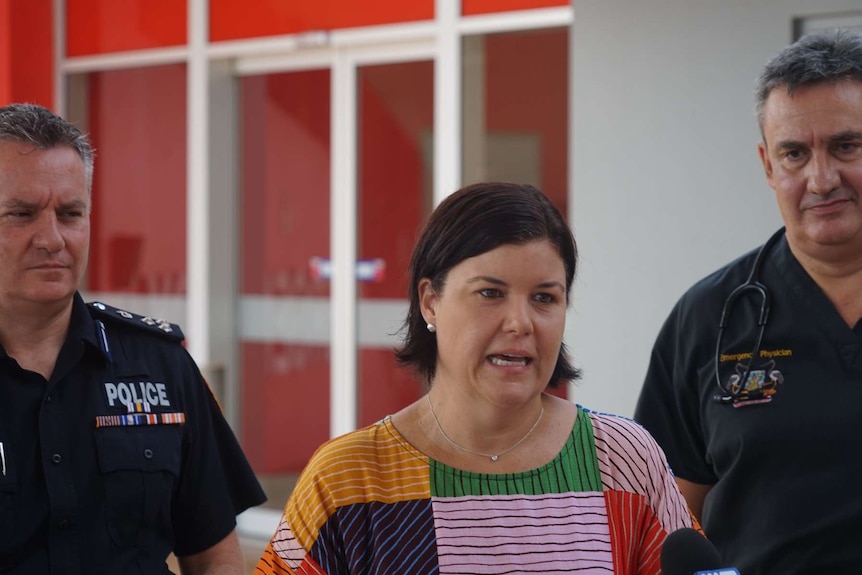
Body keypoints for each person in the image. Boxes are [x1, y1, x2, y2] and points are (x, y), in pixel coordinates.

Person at [256, 182, 697, 575]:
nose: (520, 323)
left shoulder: (625, 460)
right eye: (491, 293)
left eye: (545, 297)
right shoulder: (349, 480)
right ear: (430, 302)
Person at [0, 102, 266, 574]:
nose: (52, 238)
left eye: (70, 213)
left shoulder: (160, 366)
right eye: (21, 214)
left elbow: (215, 557)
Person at [634, 29, 862, 574]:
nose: (821, 178)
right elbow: (663, 521)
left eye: (846, 146)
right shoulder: (709, 317)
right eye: (794, 153)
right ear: (767, 165)